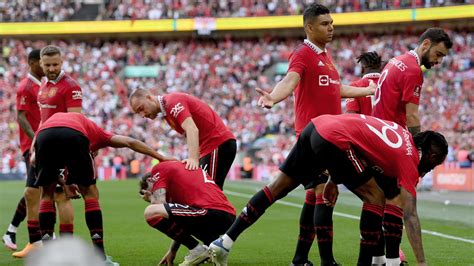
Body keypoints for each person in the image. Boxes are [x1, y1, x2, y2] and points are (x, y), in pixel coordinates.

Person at [208, 114, 448, 266]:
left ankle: (224, 242)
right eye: (434, 164)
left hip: (316, 126)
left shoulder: (399, 134)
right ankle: (371, 262)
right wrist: (423, 263)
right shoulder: (408, 159)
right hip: (335, 139)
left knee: (276, 187)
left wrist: (334, 179)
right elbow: (410, 214)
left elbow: (360, 142)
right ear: (432, 154)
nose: (430, 170)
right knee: (375, 196)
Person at [255, 4, 375, 266]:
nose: (331, 27)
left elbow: (336, 90)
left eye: (332, 23)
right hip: (315, 139)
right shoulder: (303, 54)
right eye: (324, 24)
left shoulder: (326, 57)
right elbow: (290, 81)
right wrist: (273, 97)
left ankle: (300, 259)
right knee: (321, 195)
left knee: (313, 198)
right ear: (309, 28)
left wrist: (368, 91)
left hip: (327, 136)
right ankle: (327, 261)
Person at [31, 112, 173, 265]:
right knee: (91, 194)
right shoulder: (98, 133)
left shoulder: (52, 124)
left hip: (44, 135)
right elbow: (130, 142)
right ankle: (100, 258)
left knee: (46, 194)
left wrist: (65, 184)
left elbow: (34, 160)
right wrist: (161, 157)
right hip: (74, 134)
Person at [371, 27, 452, 265]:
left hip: (377, 133)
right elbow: (413, 116)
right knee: (399, 202)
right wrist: (418, 150)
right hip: (390, 140)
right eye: (438, 54)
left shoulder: (397, 61)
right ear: (425, 44)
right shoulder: (414, 70)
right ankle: (395, 259)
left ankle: (378, 258)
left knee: (377, 201)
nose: (438, 61)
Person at [13, 45, 81, 258]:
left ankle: (67, 247)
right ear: (41, 64)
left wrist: (68, 153)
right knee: (39, 193)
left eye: (55, 64)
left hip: (61, 147)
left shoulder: (70, 86)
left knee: (61, 197)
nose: (51, 68)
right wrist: (35, 146)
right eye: (48, 65)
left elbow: (75, 120)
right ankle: (39, 243)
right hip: (43, 147)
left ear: (62, 63)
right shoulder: (43, 86)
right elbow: (42, 121)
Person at [129, 89, 236, 190]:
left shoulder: (172, 103)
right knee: (203, 192)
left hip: (217, 143)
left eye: (141, 108)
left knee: (208, 193)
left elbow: (192, 129)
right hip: (211, 147)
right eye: (138, 113)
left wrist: (193, 159)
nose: (142, 115)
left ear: (149, 98)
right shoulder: (168, 110)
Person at [139, 161, 236, 266]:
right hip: (226, 217)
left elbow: (158, 204)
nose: (153, 193)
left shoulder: (158, 170)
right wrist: (172, 250)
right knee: (177, 215)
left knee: (150, 212)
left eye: (151, 191)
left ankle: (198, 251)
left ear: (151, 180)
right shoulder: (179, 180)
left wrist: (151, 198)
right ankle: (212, 250)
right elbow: (181, 220)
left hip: (211, 212)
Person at [3, 49, 43, 252]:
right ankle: (34, 236)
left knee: (36, 190)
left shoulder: (41, 85)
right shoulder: (26, 87)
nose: (46, 66)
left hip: (43, 143)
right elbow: (21, 116)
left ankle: (13, 231)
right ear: (32, 63)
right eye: (42, 62)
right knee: (34, 191)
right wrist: (37, 139)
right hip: (33, 146)